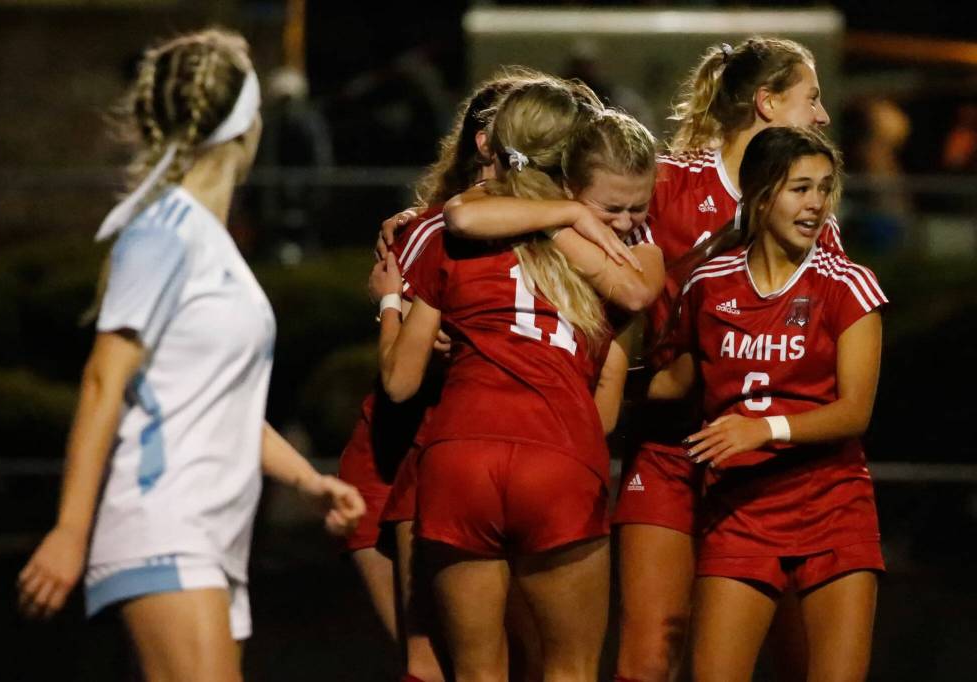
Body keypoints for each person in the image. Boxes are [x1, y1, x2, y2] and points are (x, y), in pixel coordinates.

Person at [15, 28, 364, 682]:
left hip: (212, 536)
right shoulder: (165, 230)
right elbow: (103, 380)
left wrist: (307, 482)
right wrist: (70, 529)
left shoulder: (205, 239)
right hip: (166, 521)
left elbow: (220, 405)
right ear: (245, 126)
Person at [369, 79, 662, 682]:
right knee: (570, 668)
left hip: (458, 455)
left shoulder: (447, 232)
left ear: (491, 144)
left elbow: (399, 383)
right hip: (557, 448)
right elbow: (632, 306)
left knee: (473, 670)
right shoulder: (611, 246)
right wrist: (577, 218)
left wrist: (389, 304)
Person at [611, 37, 838, 682]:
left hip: (768, 460)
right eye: (811, 98)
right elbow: (568, 221)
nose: (822, 116)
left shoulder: (813, 208)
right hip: (669, 447)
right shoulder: (665, 182)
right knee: (649, 657)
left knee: (791, 659)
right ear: (766, 104)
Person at [650, 125, 886, 682]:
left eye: (824, 188)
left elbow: (856, 411)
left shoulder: (849, 285)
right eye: (799, 188)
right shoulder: (710, 282)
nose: (816, 204)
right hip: (741, 511)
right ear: (759, 195)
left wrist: (764, 429)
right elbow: (677, 380)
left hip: (832, 508)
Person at [338, 72, 526, 682]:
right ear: (486, 145)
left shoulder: (559, 232)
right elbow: (399, 374)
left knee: (489, 658)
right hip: (398, 450)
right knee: (428, 663)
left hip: (468, 457)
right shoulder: (431, 229)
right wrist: (395, 307)